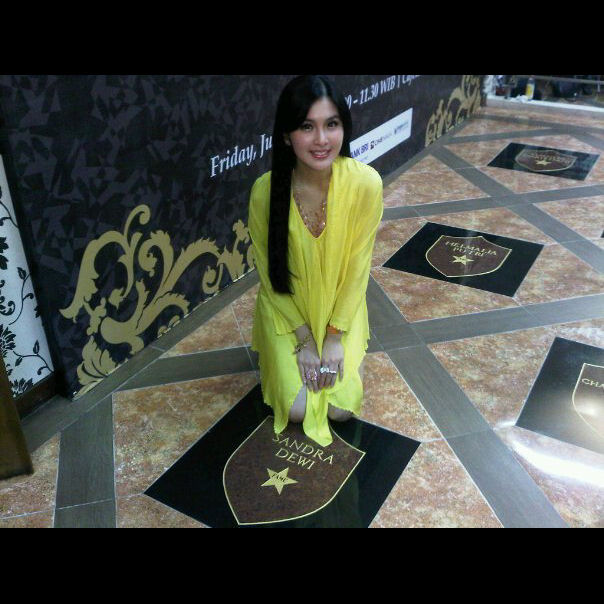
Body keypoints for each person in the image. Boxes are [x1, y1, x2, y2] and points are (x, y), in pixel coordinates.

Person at [248, 75, 383, 447]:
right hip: (287, 311)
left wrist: (334, 337)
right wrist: (305, 340)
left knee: (340, 409)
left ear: (344, 128)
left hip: (341, 310)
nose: (322, 140)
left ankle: (348, 351)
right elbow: (269, 274)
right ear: (286, 135)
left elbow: (357, 270)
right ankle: (277, 355)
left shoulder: (366, 184)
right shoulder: (264, 192)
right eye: (307, 127)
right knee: (297, 409)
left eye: (331, 124)